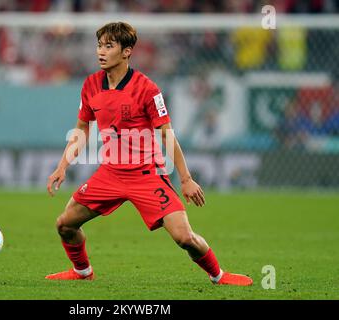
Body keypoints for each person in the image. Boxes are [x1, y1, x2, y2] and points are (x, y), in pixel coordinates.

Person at [45, 22, 252, 286]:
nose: (101, 51)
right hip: (110, 173)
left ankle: (218, 275)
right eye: (99, 45)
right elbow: (83, 128)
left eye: (109, 46)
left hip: (147, 175)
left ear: (126, 51)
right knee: (65, 224)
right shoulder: (91, 86)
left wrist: (186, 179)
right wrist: (63, 166)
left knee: (184, 238)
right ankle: (82, 272)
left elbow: (167, 134)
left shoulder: (147, 89)